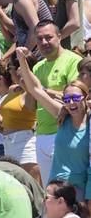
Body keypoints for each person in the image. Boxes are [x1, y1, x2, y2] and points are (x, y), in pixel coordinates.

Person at [17, 49, 90, 196]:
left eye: (76, 98)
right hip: (57, 188)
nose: (71, 103)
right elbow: (35, 89)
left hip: (81, 190)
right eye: (67, 99)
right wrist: (22, 61)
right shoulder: (62, 114)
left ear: (85, 98)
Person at [28, 21, 83, 183]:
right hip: (42, 135)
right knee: (49, 190)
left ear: (59, 37)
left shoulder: (73, 61)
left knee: (67, 188)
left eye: (48, 37)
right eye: (40, 39)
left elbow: (77, 97)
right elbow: (32, 106)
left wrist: (42, 91)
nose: (44, 42)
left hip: (65, 132)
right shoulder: (37, 67)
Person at [0, 59, 40, 182]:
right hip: (9, 144)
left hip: (25, 143)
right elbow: (5, 126)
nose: (10, 73)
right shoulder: (13, 90)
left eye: (11, 70)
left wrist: (26, 80)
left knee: (32, 185)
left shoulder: (29, 92)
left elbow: (32, 98)